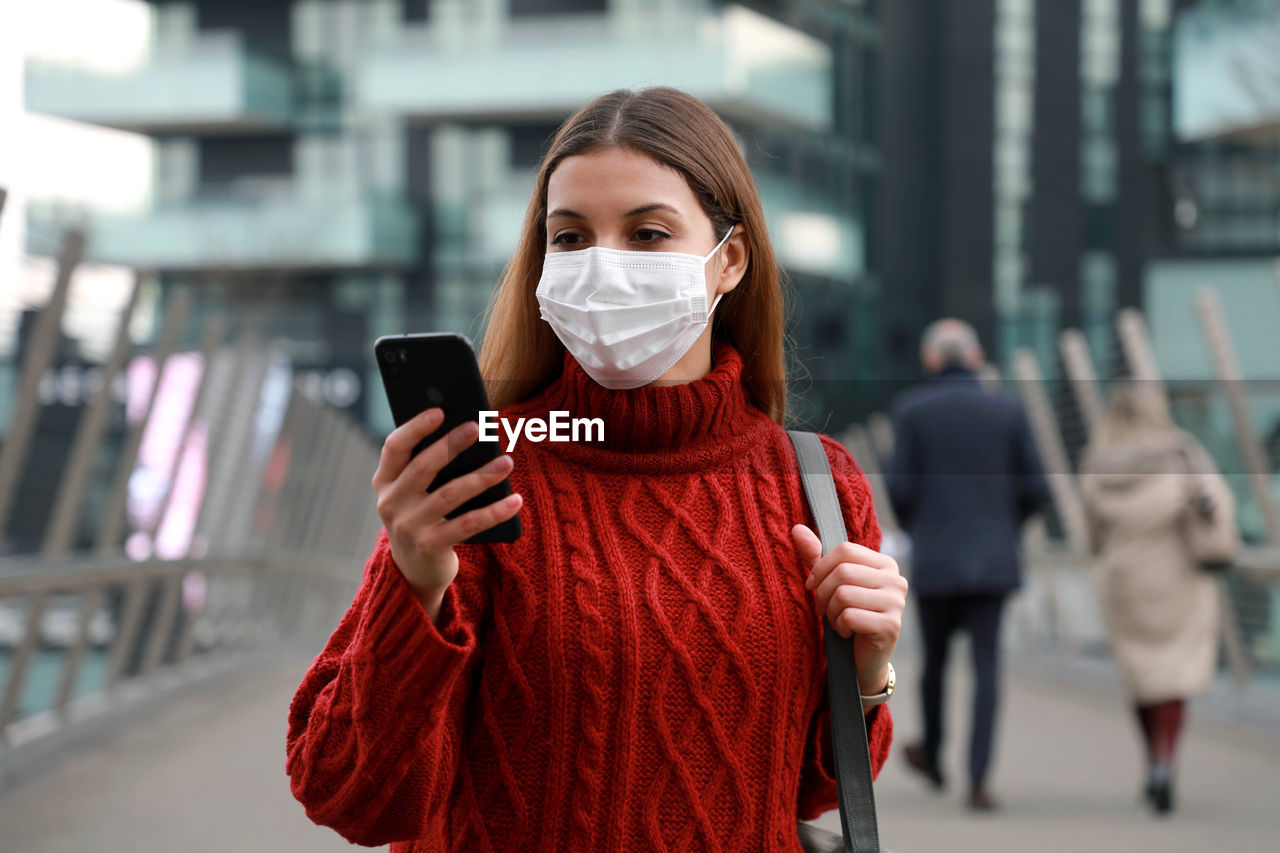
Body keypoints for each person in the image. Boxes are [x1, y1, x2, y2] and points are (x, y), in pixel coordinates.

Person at [285, 87, 908, 852]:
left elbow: (815, 788)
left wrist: (868, 668)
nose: (604, 266)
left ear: (730, 261)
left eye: (647, 234)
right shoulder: (487, 473)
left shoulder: (818, 483)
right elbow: (347, 793)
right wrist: (412, 584)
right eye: (571, 237)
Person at [884, 319, 1048, 811]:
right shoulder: (1008, 411)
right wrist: (1006, 525)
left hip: (935, 556)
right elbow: (1038, 487)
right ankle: (979, 780)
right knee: (986, 666)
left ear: (932, 360)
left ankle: (933, 754)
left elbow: (900, 489)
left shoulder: (911, 411)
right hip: (993, 556)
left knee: (933, 663)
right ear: (976, 359)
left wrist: (923, 528)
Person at [1079, 381, 1226, 815]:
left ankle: (1151, 758)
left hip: (1125, 579)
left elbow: (1090, 533)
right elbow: (1215, 502)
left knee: (1142, 675)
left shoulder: (1099, 461)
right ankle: (1166, 759)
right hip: (1178, 575)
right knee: (1173, 675)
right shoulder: (1182, 453)